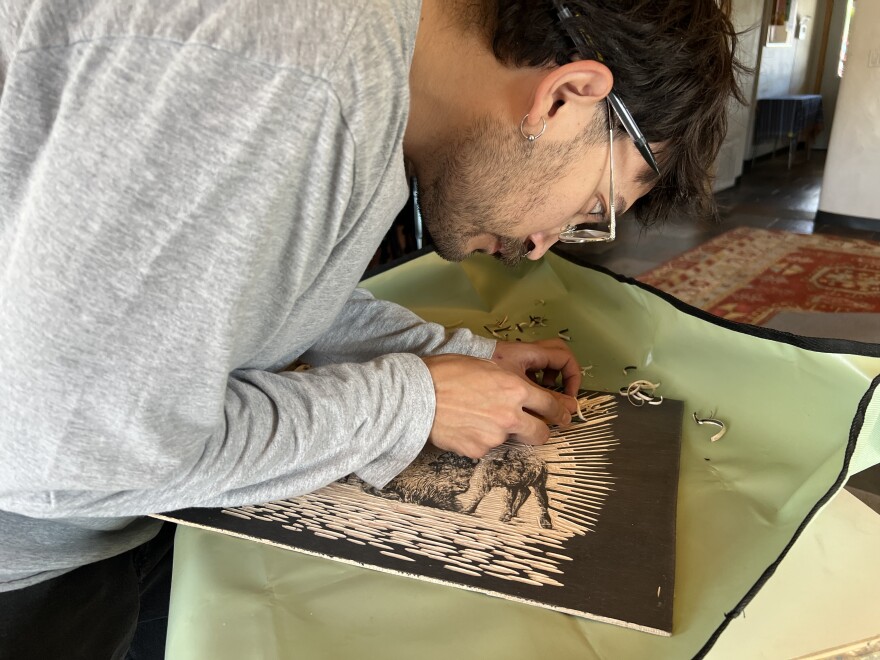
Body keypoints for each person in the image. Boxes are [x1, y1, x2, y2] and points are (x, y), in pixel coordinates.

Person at [0, 0, 743, 657]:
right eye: (591, 210)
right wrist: (411, 401)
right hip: (35, 569)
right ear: (564, 98)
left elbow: (252, 284)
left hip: (136, 522)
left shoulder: (380, 85)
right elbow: (71, 452)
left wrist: (455, 357)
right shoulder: (285, 69)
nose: (542, 245)